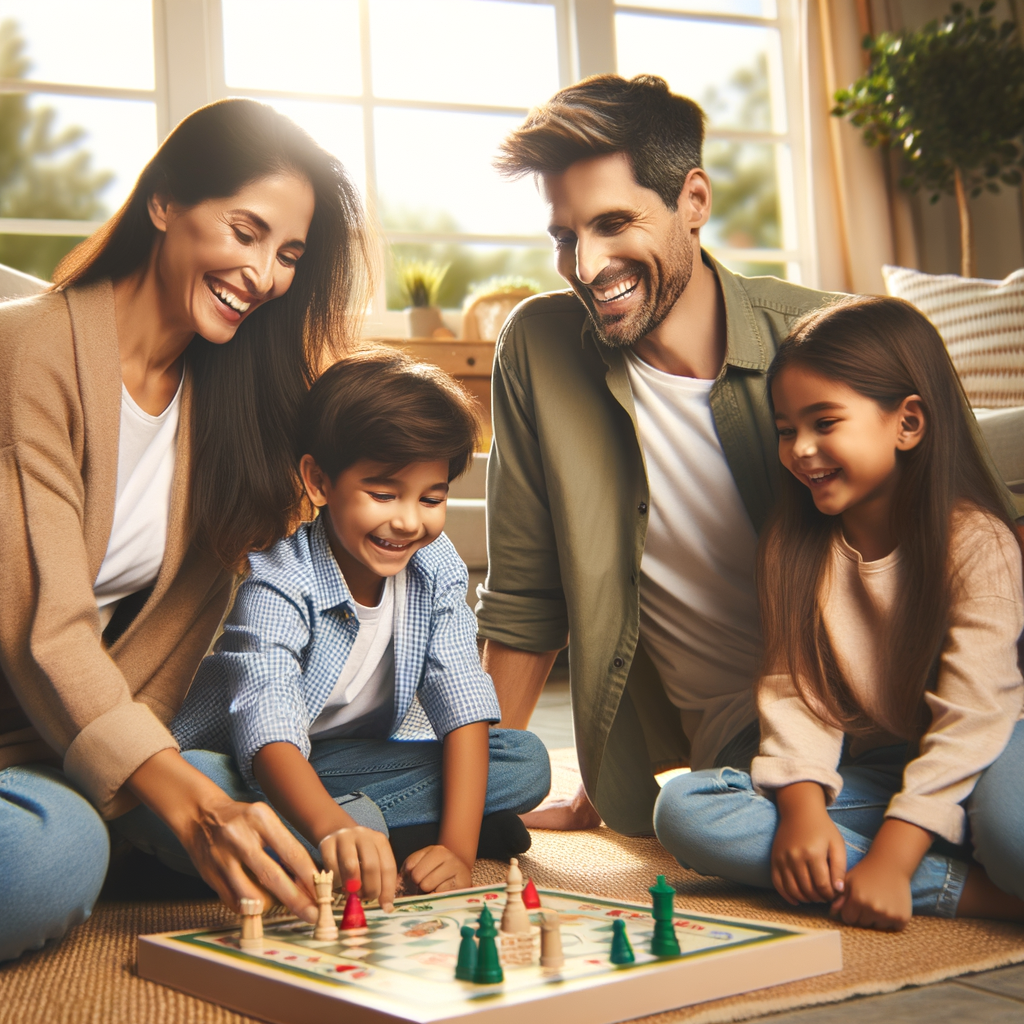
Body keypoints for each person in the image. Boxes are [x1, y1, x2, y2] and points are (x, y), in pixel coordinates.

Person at [0, 98, 373, 962]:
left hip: (82, 741)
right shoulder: (28, 353)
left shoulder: (232, 411)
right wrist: (189, 802)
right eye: (245, 232)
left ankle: (120, 817)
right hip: (32, 733)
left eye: (287, 254)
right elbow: (44, 630)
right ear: (164, 203)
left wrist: (168, 775)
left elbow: (172, 657)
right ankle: (105, 834)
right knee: (52, 856)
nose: (266, 275)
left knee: (313, 799)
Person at [478, 74, 840, 835]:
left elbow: (978, 538)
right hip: (748, 751)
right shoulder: (539, 350)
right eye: (566, 237)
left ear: (694, 201)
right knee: (696, 823)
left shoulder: (831, 338)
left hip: (901, 705)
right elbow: (526, 600)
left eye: (614, 222)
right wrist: (478, 805)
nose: (587, 265)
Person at [655, 296, 1024, 930]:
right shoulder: (792, 549)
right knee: (686, 809)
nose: (800, 449)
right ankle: (973, 893)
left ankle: (927, 858)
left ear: (907, 423)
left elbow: (975, 717)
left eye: (825, 422)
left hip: (994, 750)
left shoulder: (977, 541)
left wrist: (893, 855)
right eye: (785, 428)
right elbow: (796, 694)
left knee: (1012, 835)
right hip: (884, 769)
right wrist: (802, 812)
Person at [167, 349, 550, 910]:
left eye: (432, 498)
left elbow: (462, 704)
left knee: (523, 761)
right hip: (251, 765)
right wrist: (333, 826)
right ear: (319, 482)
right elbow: (267, 726)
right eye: (383, 494)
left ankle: (382, 826)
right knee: (196, 777)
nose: (409, 520)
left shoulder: (433, 564)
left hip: (345, 761)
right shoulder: (279, 576)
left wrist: (458, 849)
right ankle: (362, 828)